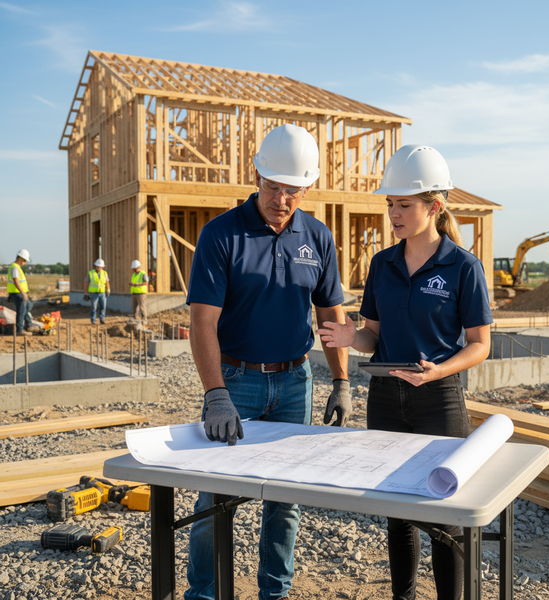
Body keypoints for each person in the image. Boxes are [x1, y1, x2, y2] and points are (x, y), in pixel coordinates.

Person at [317, 144, 493, 600]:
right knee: (398, 510)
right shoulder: (382, 264)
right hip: (386, 398)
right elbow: (373, 336)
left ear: (434, 207)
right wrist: (349, 338)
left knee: (443, 512)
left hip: (440, 400)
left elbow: (479, 345)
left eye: (404, 205)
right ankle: (404, 596)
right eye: (390, 204)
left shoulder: (463, 267)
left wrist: (437, 373)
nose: (393, 214)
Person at [185, 123, 351, 600]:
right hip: (236, 382)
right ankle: (204, 594)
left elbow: (330, 314)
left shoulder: (316, 237)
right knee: (215, 497)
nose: (282, 199)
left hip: (294, 382)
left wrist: (341, 381)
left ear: (306, 187)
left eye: (293, 190)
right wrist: (216, 395)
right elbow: (202, 324)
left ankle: (274, 594)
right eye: (274, 187)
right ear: (256, 175)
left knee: (286, 501)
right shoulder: (222, 235)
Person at [7, 249, 34, 336]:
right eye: (25, 260)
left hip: (20, 292)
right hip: (17, 293)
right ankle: (20, 329)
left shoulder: (17, 267)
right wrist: (23, 293)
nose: (25, 262)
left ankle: (29, 324)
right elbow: (16, 281)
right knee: (21, 310)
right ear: (20, 258)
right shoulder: (15, 267)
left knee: (28, 306)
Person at [83, 258, 110, 325]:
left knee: (103, 306)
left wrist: (108, 289)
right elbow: (86, 282)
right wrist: (85, 293)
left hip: (102, 292)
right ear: (96, 266)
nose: (99, 268)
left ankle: (102, 319)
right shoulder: (91, 273)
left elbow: (107, 282)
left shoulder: (104, 273)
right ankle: (93, 320)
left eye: (100, 267)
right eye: (98, 267)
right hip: (93, 293)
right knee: (94, 307)